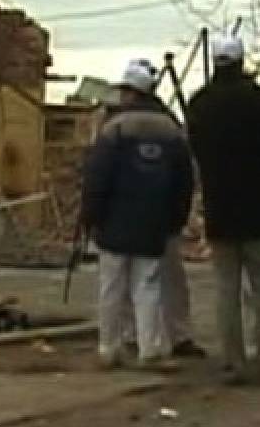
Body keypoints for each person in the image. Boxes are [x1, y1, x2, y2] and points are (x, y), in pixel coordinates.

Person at [186, 35, 260, 386]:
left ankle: (233, 363)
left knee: (225, 288)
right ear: (242, 61)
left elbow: (197, 152)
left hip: (221, 210)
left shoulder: (199, 104)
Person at [81, 58, 194, 371]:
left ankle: (109, 347)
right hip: (153, 222)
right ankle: (150, 348)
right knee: (148, 286)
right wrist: (176, 218)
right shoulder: (171, 129)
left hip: (115, 220)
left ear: (130, 92)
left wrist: (91, 214)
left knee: (111, 286)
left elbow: (98, 176)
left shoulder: (113, 128)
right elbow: (184, 180)